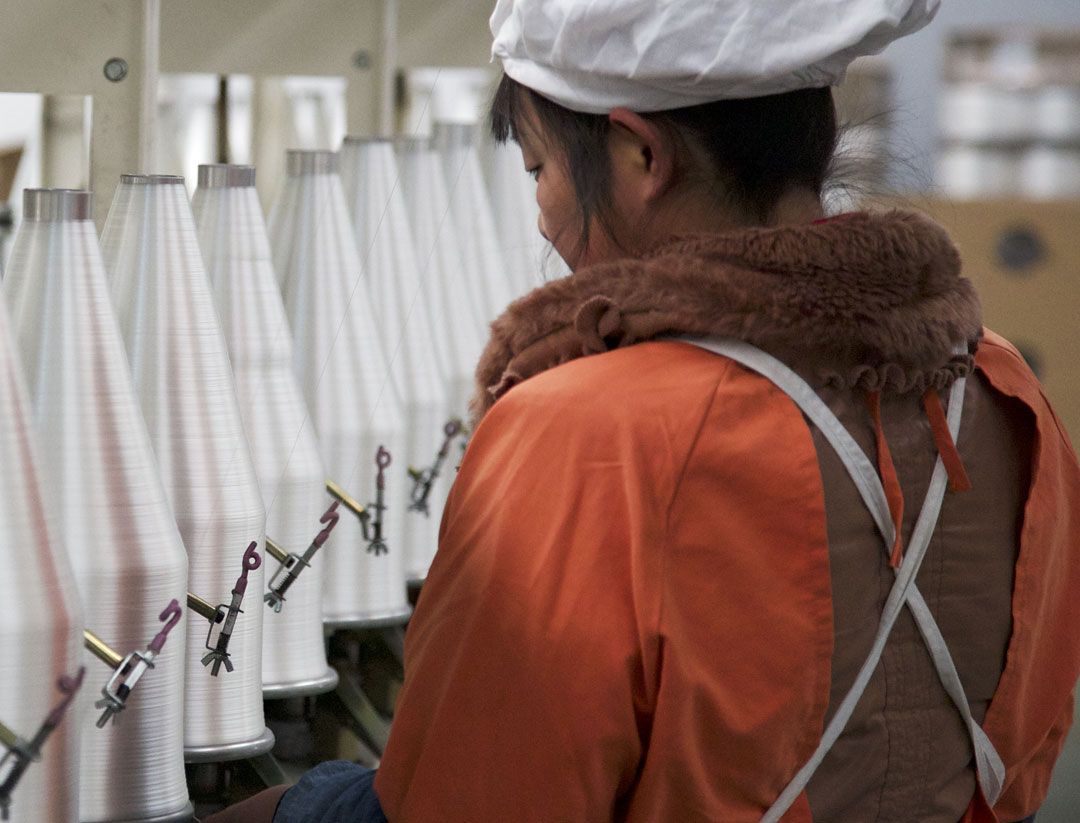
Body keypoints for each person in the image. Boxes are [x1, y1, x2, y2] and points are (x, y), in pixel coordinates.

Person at [204, 0, 1080, 820]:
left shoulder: (587, 434)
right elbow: (1029, 739)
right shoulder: (998, 388)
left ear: (640, 157)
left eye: (540, 168)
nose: (542, 218)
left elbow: (470, 797)